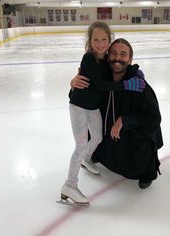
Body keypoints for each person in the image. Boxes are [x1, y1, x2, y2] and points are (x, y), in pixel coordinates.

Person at [61, 22, 146, 205]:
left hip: (92, 108)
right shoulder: (88, 59)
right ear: (90, 41)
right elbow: (101, 84)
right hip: (78, 106)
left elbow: (120, 68)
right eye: (96, 40)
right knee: (80, 145)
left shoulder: (108, 60)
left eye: (104, 39)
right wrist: (125, 85)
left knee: (98, 137)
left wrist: (136, 73)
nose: (100, 44)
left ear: (109, 40)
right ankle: (69, 185)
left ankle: (86, 159)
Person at [72, 38, 163, 190]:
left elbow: (154, 118)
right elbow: (80, 101)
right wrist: (74, 84)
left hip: (129, 140)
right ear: (107, 57)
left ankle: (146, 171)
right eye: (113, 53)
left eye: (123, 54)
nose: (117, 59)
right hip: (108, 138)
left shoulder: (138, 85)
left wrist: (125, 121)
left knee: (143, 142)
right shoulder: (100, 79)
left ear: (130, 59)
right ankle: (96, 155)